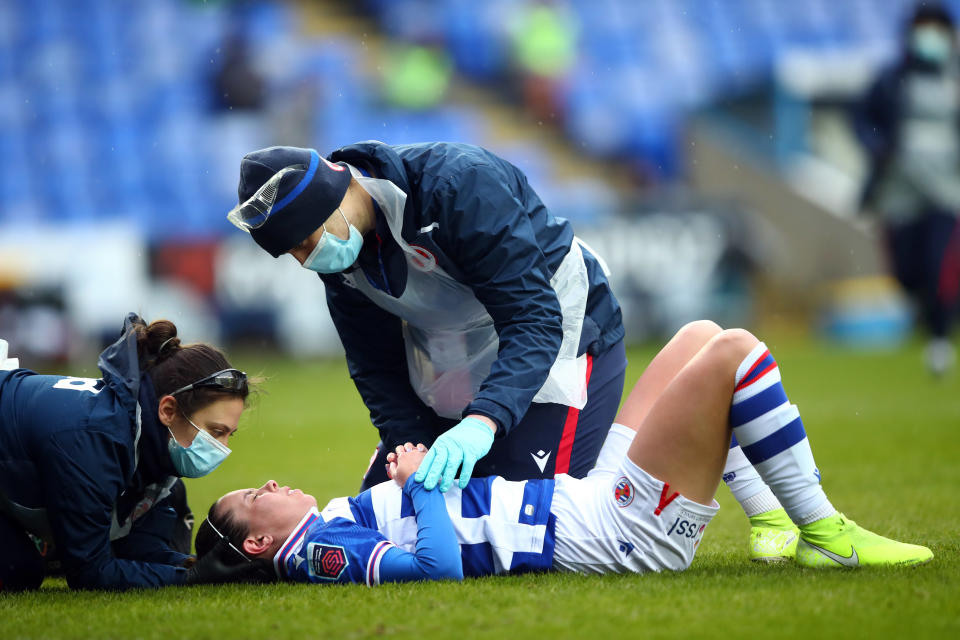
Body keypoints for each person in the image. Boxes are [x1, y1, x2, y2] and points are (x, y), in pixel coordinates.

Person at [196, 320, 933, 585]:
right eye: (251, 498)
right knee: (737, 355)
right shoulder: (315, 554)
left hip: (584, 501)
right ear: (259, 542)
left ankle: (774, 522)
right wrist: (420, 486)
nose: (264, 481)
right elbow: (437, 569)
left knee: (698, 337)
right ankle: (824, 532)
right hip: (616, 529)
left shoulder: (326, 523)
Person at [226, 141, 627, 494]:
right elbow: (375, 365)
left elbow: (532, 319)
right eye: (292, 253)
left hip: (565, 332)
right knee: (392, 511)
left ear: (336, 195)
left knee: (523, 513)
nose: (306, 259)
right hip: (461, 352)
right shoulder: (338, 258)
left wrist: (482, 422)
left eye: (304, 242)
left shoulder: (460, 186)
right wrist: (411, 446)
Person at [0, 313, 268, 591]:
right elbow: (90, 573)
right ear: (168, 410)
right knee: (17, 570)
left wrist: (197, 565)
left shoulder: (148, 442)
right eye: (215, 431)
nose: (223, 448)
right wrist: (190, 579)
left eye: (228, 435)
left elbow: (139, 549)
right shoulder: (96, 442)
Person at [853, 2, 960, 376]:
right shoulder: (891, 79)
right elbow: (862, 119)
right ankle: (929, 311)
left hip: (948, 192)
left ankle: (940, 341)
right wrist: (877, 148)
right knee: (906, 273)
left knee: (938, 263)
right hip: (899, 193)